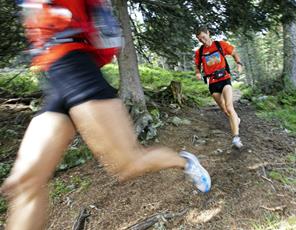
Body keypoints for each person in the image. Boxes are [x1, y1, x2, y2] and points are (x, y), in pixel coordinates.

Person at [1, 1, 211, 229]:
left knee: (128, 164)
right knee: (25, 182)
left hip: (77, 66)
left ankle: (186, 162)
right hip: (53, 72)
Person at [194, 25, 243, 149]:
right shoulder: (200, 52)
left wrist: (239, 63)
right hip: (212, 83)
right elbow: (197, 65)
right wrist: (198, 73)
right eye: (200, 40)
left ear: (208, 33)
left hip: (224, 79)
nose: (203, 41)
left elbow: (234, 52)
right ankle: (236, 120)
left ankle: (236, 138)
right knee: (224, 109)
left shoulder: (220, 45)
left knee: (229, 106)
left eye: (204, 37)